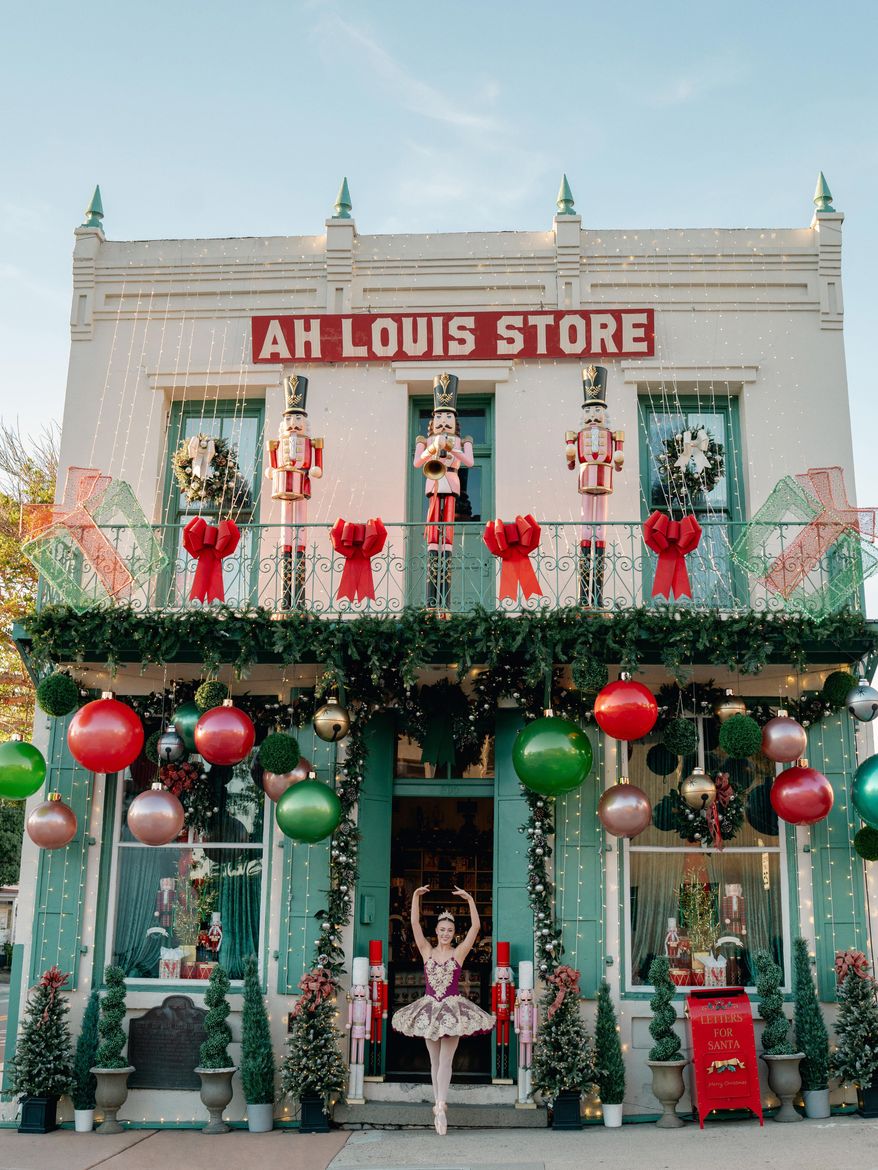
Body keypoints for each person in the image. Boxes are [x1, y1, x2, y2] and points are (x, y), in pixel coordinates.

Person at [391, 885, 494, 1134]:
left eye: (450, 930)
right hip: (429, 1009)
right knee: (433, 1061)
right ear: (436, 931)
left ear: (453, 933)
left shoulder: (459, 953)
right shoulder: (427, 951)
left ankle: (441, 1106)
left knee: (446, 1060)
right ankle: (438, 1108)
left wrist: (470, 898)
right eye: (442, 930)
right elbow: (414, 925)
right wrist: (415, 896)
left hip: (451, 1010)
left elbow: (476, 928)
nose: (446, 933)